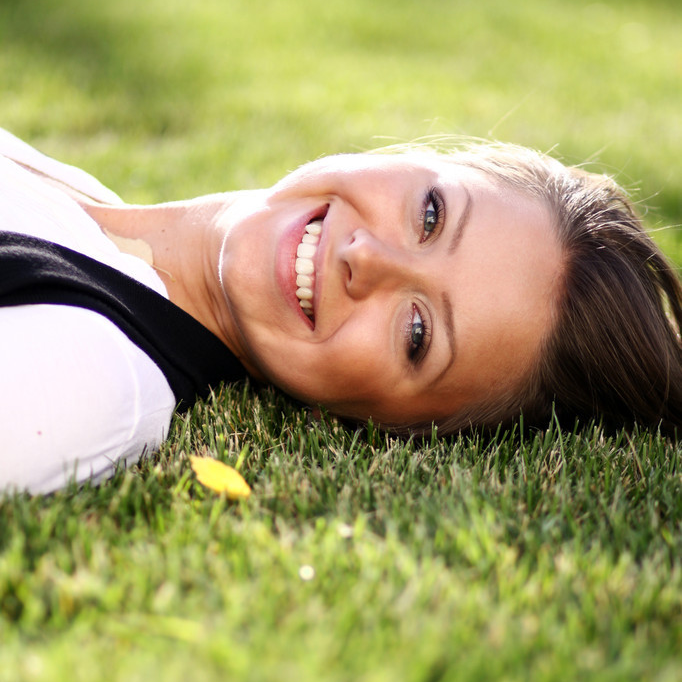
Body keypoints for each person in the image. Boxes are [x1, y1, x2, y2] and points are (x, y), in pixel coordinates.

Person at [1, 127, 681, 495]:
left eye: (417, 334)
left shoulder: (88, 378)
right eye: (431, 214)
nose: (368, 259)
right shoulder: (71, 194)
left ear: (394, 424)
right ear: (420, 154)